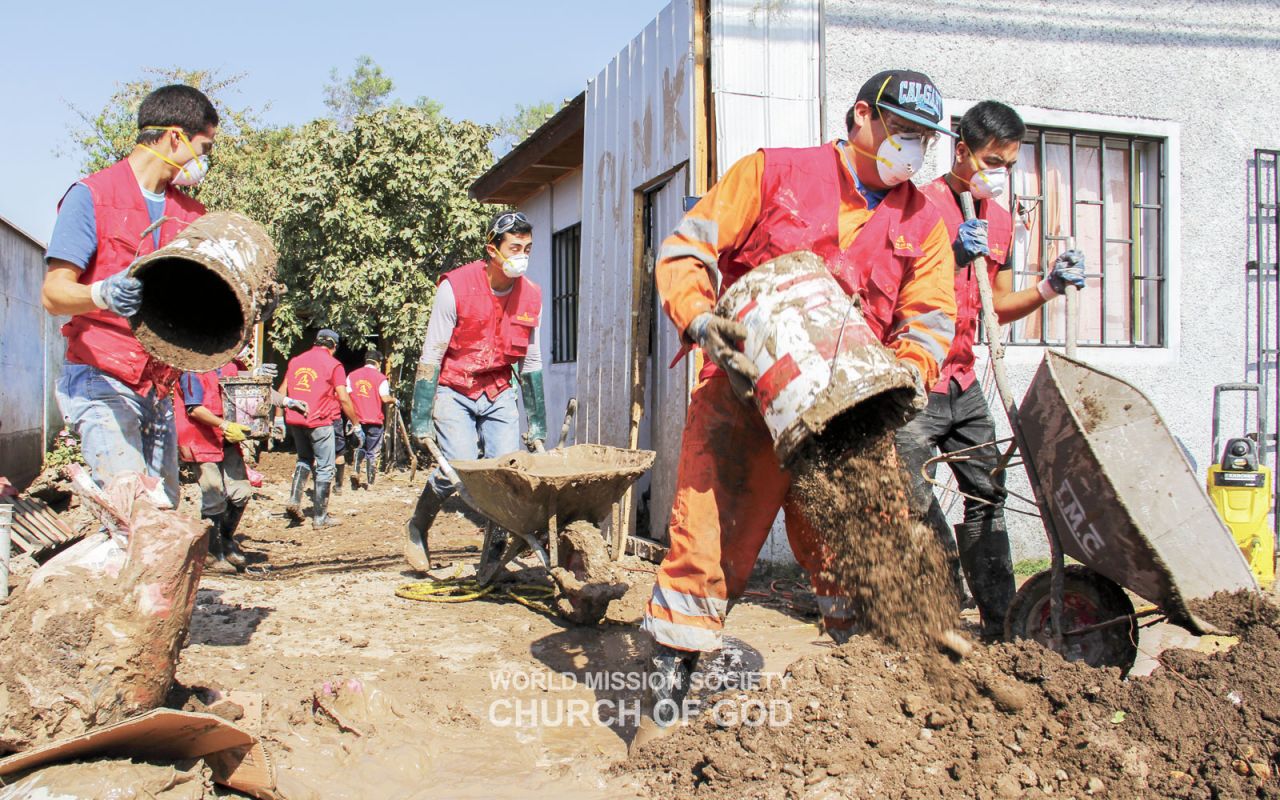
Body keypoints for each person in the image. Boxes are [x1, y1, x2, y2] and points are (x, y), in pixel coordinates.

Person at [642, 69, 959, 717]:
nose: (912, 151)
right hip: (745, 407)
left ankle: (868, 712)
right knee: (705, 551)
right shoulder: (773, 173)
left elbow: (930, 319)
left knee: (864, 562)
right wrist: (701, 321)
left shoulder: (923, 220)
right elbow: (685, 250)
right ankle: (663, 713)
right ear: (862, 116)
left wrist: (901, 382)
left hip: (843, 424)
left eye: (924, 141)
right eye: (902, 133)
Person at [900, 100, 1086, 639]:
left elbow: (995, 303)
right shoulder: (919, 206)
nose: (999, 172)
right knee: (908, 498)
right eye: (991, 159)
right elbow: (888, 293)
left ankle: (1002, 622)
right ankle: (938, 603)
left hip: (963, 381)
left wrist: (1048, 287)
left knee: (988, 496)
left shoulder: (998, 218)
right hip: (915, 382)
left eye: (1008, 162)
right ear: (962, 151)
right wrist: (950, 256)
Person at [40, 84, 219, 507]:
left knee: (164, 517)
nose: (204, 160)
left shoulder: (192, 216)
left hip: (157, 387)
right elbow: (54, 294)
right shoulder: (92, 196)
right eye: (203, 146)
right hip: (100, 375)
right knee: (135, 508)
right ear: (175, 137)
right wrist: (102, 293)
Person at [404, 211, 548, 571]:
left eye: (528, 248)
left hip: (499, 390)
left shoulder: (531, 296)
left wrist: (538, 421)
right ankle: (418, 528)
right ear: (492, 249)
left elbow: (531, 361)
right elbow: (432, 353)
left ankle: (493, 557)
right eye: (515, 247)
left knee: (504, 475)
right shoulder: (455, 287)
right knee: (458, 468)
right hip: (455, 388)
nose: (523, 256)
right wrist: (421, 415)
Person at [175, 356, 279, 573]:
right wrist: (224, 424)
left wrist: (284, 401)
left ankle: (226, 540)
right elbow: (193, 408)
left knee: (241, 492)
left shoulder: (233, 365)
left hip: (227, 439)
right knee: (214, 496)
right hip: (201, 437)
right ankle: (211, 555)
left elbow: (249, 390)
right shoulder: (193, 367)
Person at [274, 329, 363, 528]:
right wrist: (356, 424)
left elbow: (282, 390)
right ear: (333, 346)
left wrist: (278, 419)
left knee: (304, 459)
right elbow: (343, 397)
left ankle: (294, 500)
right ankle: (320, 517)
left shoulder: (297, 360)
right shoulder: (333, 364)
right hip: (320, 422)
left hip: (296, 420)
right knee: (325, 467)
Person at [346, 349, 396, 489]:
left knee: (359, 446)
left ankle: (356, 470)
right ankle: (371, 482)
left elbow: (346, 396)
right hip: (374, 420)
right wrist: (394, 400)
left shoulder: (352, 375)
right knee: (372, 452)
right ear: (378, 363)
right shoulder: (380, 378)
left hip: (357, 420)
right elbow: (385, 398)